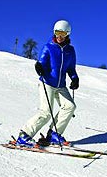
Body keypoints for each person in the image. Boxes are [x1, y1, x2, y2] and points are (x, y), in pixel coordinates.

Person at [14, 19, 79, 147]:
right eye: (57, 33)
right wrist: (39, 67)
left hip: (61, 85)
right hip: (47, 82)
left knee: (70, 106)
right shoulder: (48, 47)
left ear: (68, 34)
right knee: (46, 112)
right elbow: (41, 63)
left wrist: (74, 78)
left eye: (63, 34)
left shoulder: (70, 51)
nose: (59, 36)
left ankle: (54, 134)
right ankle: (24, 135)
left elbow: (71, 68)